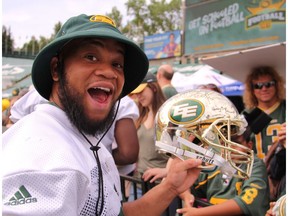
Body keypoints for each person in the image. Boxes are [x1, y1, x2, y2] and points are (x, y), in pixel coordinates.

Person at [2, 14, 202, 216]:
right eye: (91, 57)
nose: (109, 72)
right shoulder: (43, 159)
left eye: (117, 64)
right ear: (56, 69)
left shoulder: (82, 137)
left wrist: (170, 187)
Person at [131, 72, 169, 180]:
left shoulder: (169, 116)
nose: (138, 96)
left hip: (163, 184)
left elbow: (182, 154)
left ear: (154, 88)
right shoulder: (139, 116)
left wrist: (166, 171)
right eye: (136, 93)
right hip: (139, 181)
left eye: (141, 91)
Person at [242, 66, 286, 159]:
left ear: (277, 85)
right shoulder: (246, 115)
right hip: (258, 170)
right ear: (252, 90)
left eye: (268, 84)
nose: (264, 89)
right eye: (258, 86)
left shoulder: (285, 109)